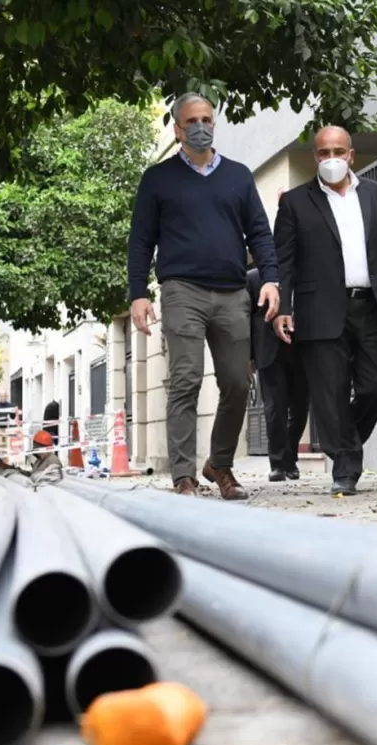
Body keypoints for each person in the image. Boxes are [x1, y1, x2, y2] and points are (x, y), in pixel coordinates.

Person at [126, 92, 280, 499]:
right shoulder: (157, 179)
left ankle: (219, 464)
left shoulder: (239, 176)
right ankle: (184, 476)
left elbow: (260, 234)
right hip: (182, 291)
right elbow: (140, 241)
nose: (200, 126)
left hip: (232, 293)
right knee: (186, 380)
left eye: (207, 119)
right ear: (177, 129)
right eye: (191, 120)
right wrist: (138, 294)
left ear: (215, 124)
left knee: (236, 383)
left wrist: (271, 279)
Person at [273, 126, 377, 496]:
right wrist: (282, 308)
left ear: (351, 154)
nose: (331, 158)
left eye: (338, 150)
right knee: (329, 393)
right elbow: (283, 262)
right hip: (318, 308)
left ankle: (344, 441)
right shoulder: (295, 202)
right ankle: (346, 468)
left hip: (371, 306)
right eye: (323, 152)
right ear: (314, 157)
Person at [247, 266, 308, 482]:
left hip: (300, 350)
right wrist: (249, 356)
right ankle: (278, 463)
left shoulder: (302, 275)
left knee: (300, 408)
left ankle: (289, 455)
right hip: (268, 353)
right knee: (275, 409)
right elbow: (247, 320)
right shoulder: (254, 278)